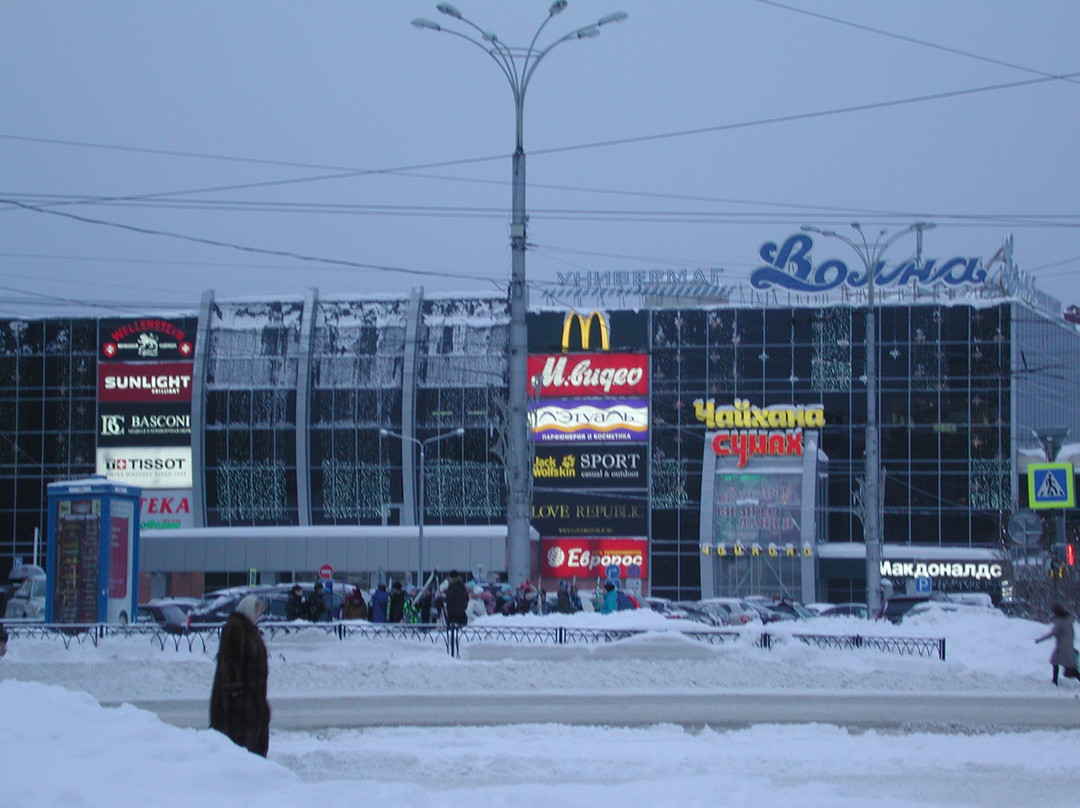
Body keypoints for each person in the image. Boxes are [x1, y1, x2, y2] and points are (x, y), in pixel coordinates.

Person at [209, 595, 271, 756]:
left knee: (251, 750)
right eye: (257, 611)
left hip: (250, 701)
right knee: (240, 750)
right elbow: (230, 664)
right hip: (238, 707)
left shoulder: (248, 629)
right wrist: (236, 695)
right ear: (248, 609)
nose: (258, 616)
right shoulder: (236, 629)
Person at [1035, 603, 1080, 685]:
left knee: (1067, 666)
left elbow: (1053, 633)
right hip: (1067, 645)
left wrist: (1040, 639)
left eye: (1054, 611)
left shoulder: (1060, 620)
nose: (1053, 613)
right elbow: (1071, 633)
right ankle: (1054, 681)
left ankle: (1054, 681)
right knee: (1058, 663)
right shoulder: (1068, 619)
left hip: (1062, 646)